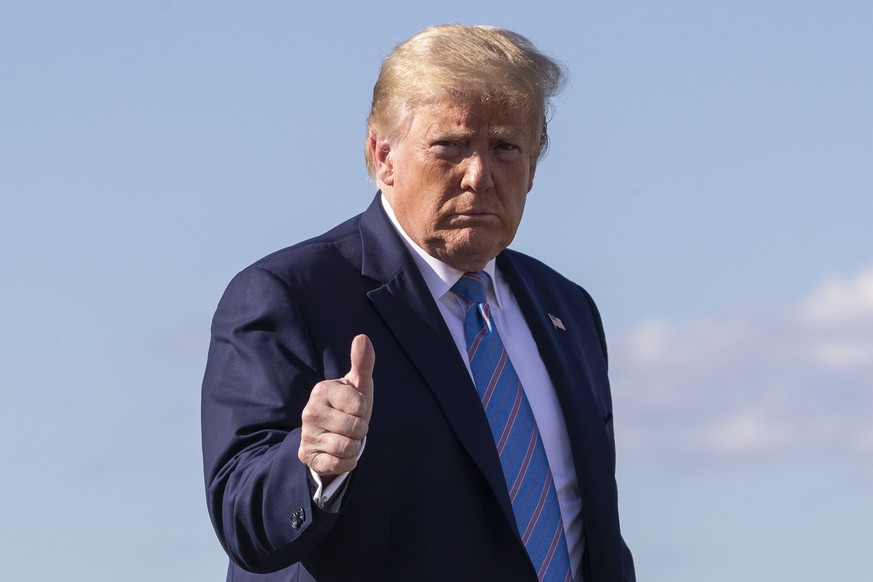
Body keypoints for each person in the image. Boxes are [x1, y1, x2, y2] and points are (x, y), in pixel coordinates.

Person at [202, 24, 635, 582]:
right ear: (383, 155)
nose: (478, 175)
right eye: (449, 145)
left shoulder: (568, 311)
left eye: (505, 147)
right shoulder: (289, 295)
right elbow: (244, 522)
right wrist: (312, 465)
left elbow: (589, 527)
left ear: (532, 170)